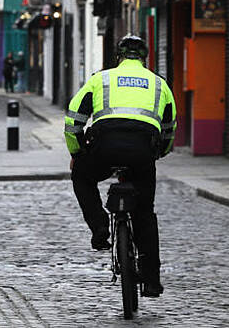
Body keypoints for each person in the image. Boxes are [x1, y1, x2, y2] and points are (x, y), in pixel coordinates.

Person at [65, 35, 176, 298]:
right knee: (145, 213)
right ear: (145, 58)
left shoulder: (100, 79)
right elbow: (170, 129)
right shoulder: (159, 85)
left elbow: (73, 119)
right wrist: (160, 152)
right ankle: (151, 280)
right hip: (142, 152)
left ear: (118, 57)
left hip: (104, 148)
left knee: (82, 177)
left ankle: (100, 227)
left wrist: (77, 151)